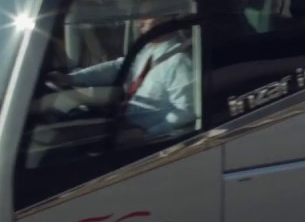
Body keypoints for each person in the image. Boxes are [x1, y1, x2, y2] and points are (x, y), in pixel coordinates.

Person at [49, 16, 197, 140]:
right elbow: (118, 68)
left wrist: (148, 134)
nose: (140, 25)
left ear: (165, 21)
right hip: (125, 122)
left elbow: (187, 110)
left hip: (147, 138)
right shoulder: (148, 49)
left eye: (146, 19)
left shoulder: (179, 61)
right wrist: (71, 79)